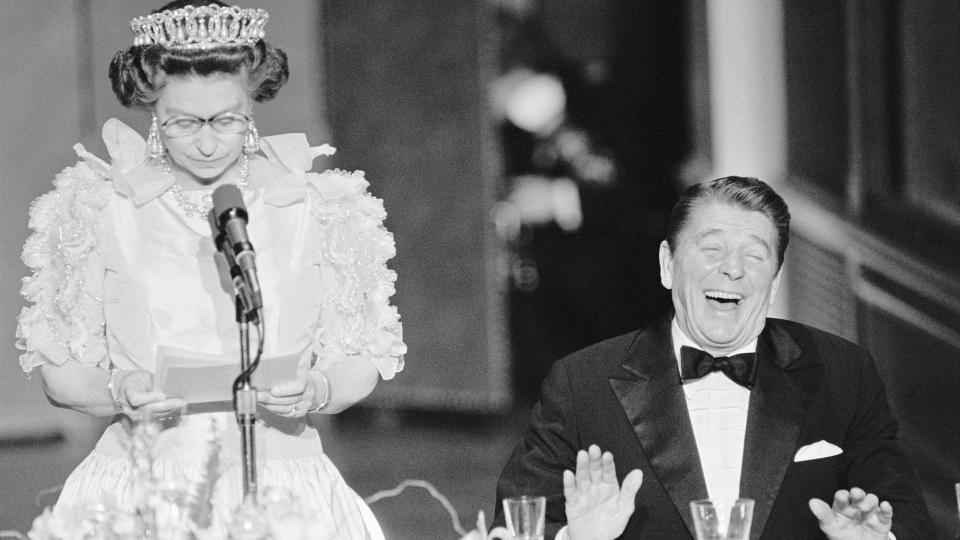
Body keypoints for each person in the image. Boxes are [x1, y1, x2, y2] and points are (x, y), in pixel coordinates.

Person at [16, 1, 404, 536]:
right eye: (182, 122)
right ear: (151, 110)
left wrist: (316, 388)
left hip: (284, 483)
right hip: (144, 483)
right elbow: (60, 373)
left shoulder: (320, 207)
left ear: (252, 105)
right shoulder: (98, 208)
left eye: (225, 120)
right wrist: (119, 388)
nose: (204, 141)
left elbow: (360, 357)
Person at [494, 176, 933, 539]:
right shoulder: (581, 384)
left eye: (755, 255)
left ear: (775, 281)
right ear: (668, 265)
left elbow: (909, 521)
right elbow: (512, 528)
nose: (733, 269)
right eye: (712, 249)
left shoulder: (843, 372)